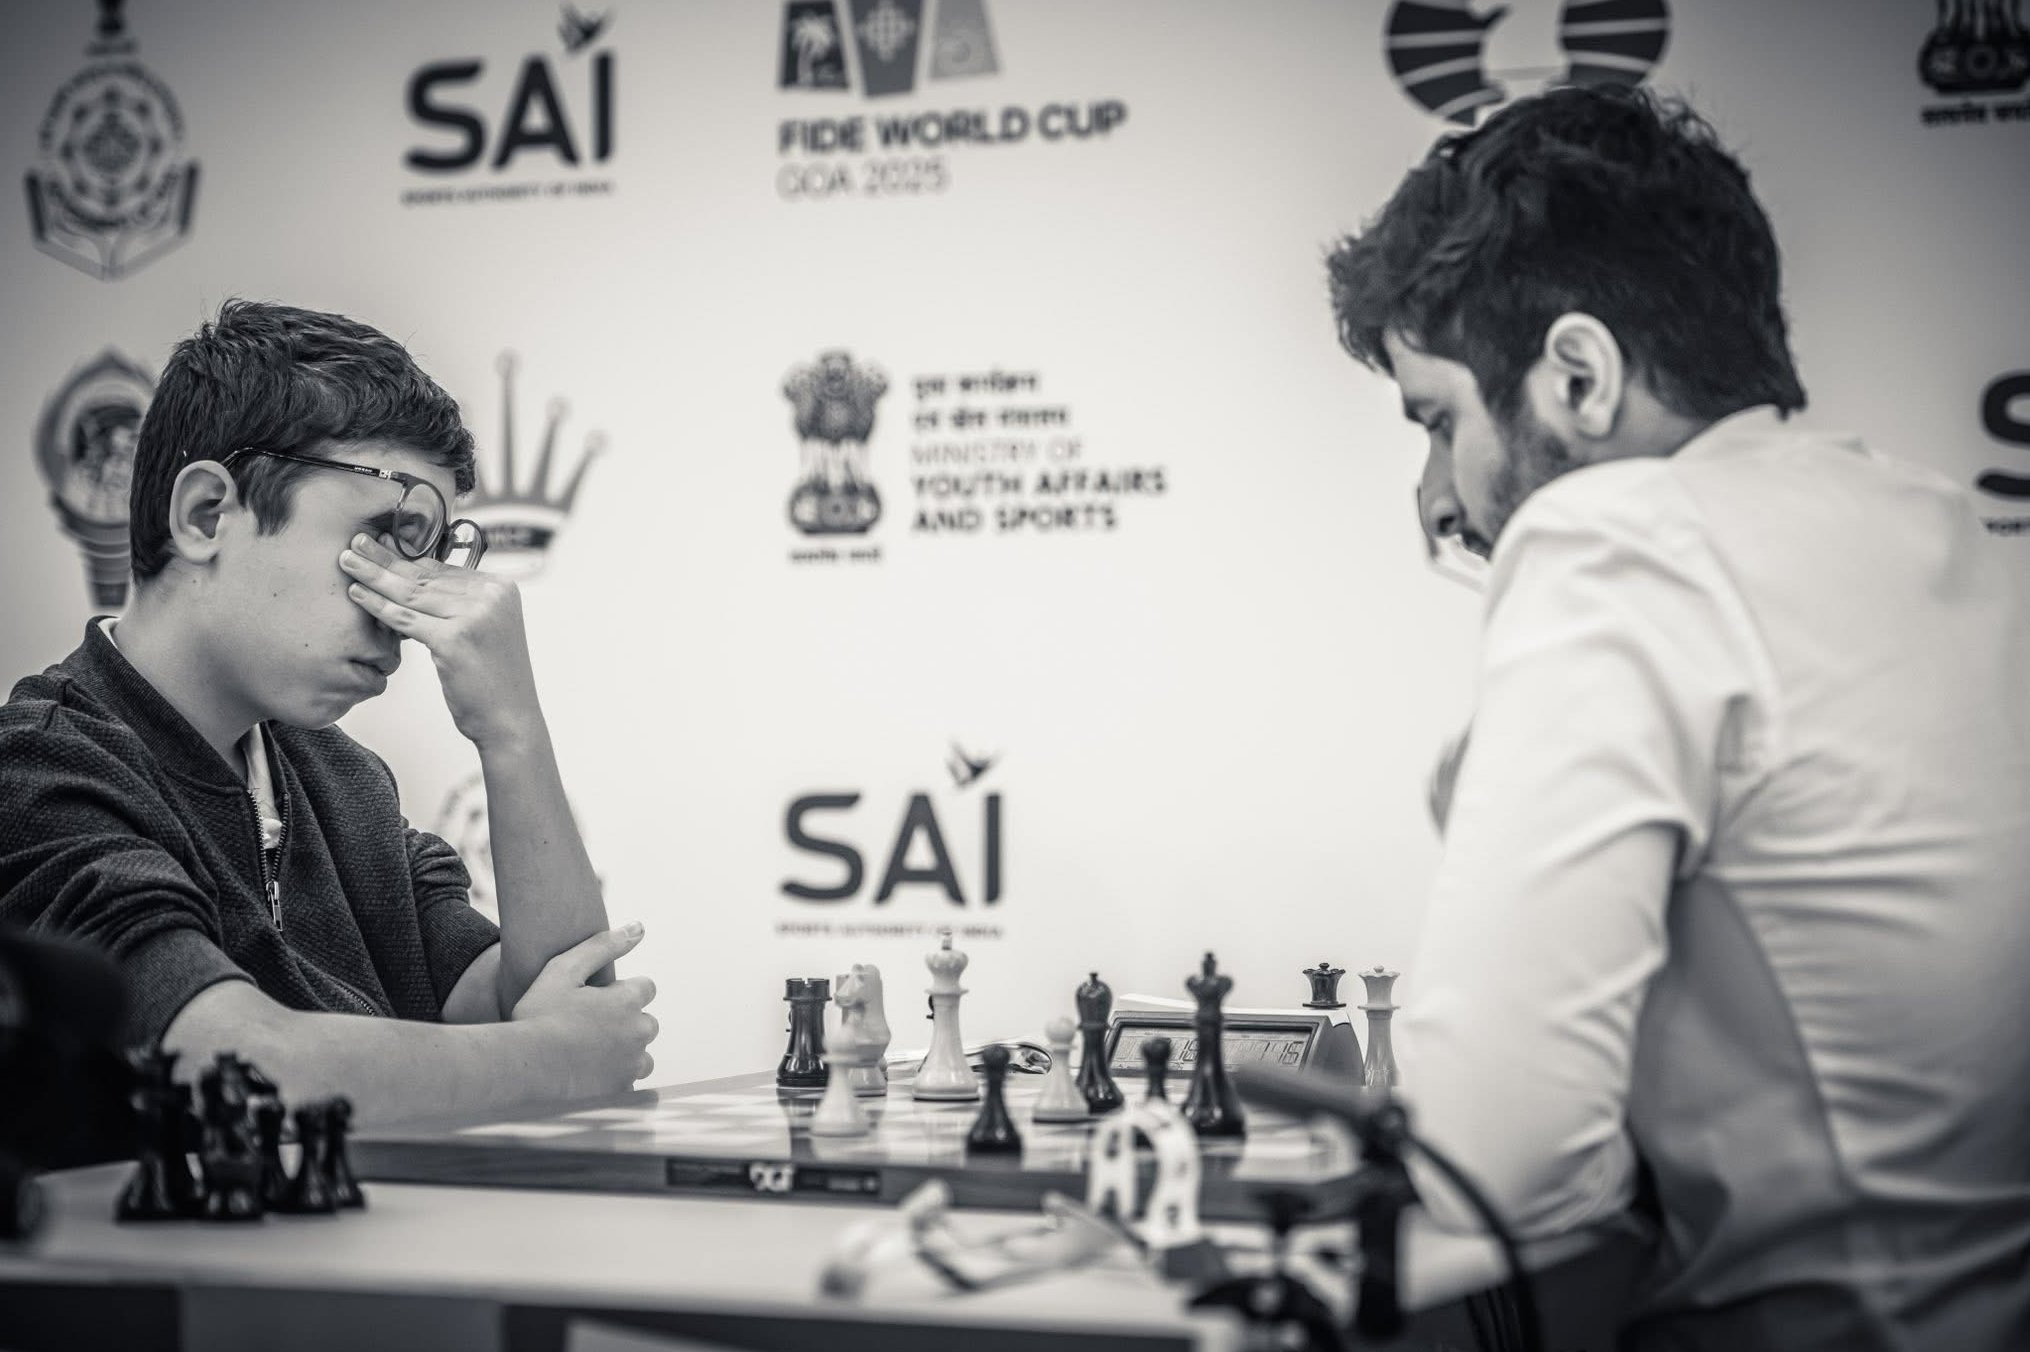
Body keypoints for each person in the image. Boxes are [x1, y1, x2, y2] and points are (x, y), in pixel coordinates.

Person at [1327, 84, 2030, 1349]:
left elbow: (1491, 1161)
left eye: (1437, 422)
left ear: (1577, 378)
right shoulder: (1930, 524)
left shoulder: (1618, 542)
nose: (1435, 500)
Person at [0, 300, 656, 1125]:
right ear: (207, 514)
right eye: (383, 537)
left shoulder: (341, 778)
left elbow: (562, 991)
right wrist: (551, 1060)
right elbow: (235, 1064)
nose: (409, 607)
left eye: (431, 552)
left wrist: (511, 731)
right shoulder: (39, 768)